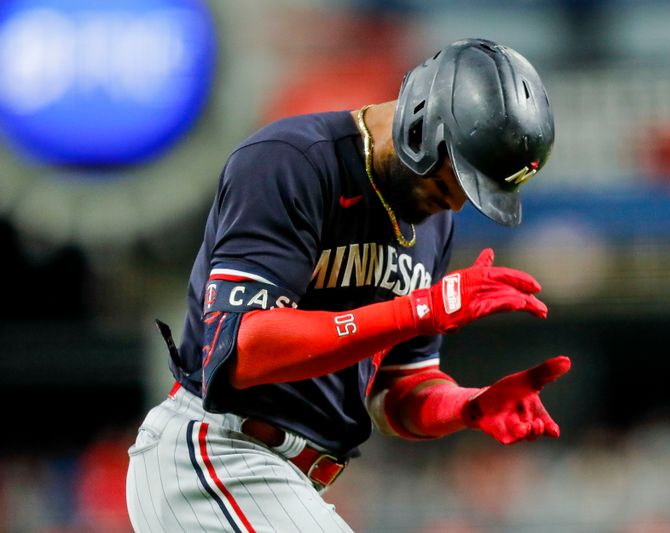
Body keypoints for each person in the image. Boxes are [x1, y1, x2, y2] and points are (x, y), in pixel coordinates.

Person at [126, 37, 570, 532]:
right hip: (218, 455)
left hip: (287, 478)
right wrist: (419, 310)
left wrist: (468, 406)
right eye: (453, 182)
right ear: (421, 125)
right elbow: (243, 349)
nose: (456, 205)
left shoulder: (435, 223)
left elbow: (397, 394)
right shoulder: (292, 161)